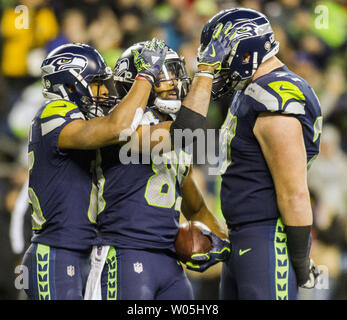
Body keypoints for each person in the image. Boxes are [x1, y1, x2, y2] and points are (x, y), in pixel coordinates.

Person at [85, 36, 234, 300]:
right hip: (123, 252)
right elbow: (184, 130)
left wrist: (223, 243)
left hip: (168, 262)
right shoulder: (120, 127)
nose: (174, 82)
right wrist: (206, 70)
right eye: (163, 74)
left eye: (176, 72)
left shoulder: (174, 139)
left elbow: (197, 208)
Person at [21, 39, 169, 300]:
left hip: (82, 251)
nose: (105, 91)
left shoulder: (81, 120)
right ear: (69, 85)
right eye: (97, 83)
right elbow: (118, 128)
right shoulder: (54, 111)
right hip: (56, 250)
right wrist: (145, 76)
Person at [199, 8, 322, 300]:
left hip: (266, 237)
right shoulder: (252, 90)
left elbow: (294, 193)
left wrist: (302, 261)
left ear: (245, 51)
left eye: (222, 58)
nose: (219, 68)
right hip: (244, 237)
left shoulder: (275, 96)